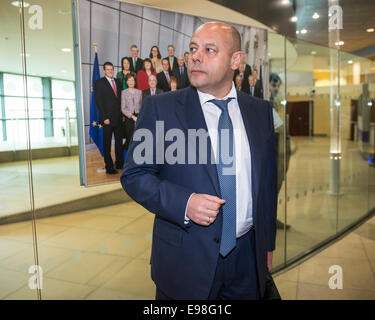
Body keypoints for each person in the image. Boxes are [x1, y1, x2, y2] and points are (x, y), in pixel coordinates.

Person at [121, 22, 277, 300]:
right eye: (193, 49)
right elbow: (135, 176)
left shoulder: (260, 111)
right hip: (186, 261)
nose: (196, 56)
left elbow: (266, 184)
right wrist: (185, 202)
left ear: (236, 60)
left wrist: (267, 246)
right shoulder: (161, 109)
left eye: (209, 50)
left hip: (247, 260)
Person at [94, 61, 123, 174]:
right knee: (107, 143)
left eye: (112, 69)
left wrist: (122, 116)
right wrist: (104, 117)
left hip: (119, 118)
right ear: (104, 71)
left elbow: (120, 100)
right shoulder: (99, 83)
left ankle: (119, 163)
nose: (110, 71)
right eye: (108, 69)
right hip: (107, 119)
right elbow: (99, 102)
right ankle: (109, 166)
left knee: (119, 143)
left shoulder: (118, 82)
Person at [121, 73, 142, 151]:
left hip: (138, 117)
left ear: (135, 82)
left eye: (132, 80)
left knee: (138, 138)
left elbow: (142, 106)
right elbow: (123, 108)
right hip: (129, 118)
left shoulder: (139, 92)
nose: (131, 82)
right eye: (129, 80)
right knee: (130, 138)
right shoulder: (124, 92)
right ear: (126, 82)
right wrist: (132, 117)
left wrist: (138, 117)